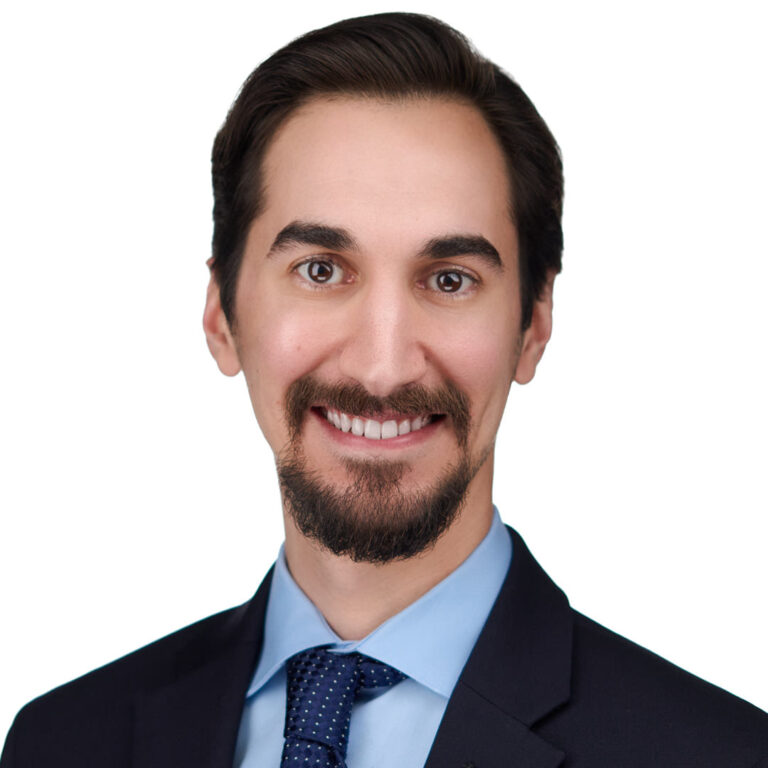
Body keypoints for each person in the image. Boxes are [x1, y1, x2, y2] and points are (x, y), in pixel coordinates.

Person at [2, 12, 766, 768]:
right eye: (321, 270)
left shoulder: (722, 754)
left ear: (533, 325)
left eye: (449, 280)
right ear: (222, 315)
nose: (384, 367)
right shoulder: (60, 742)